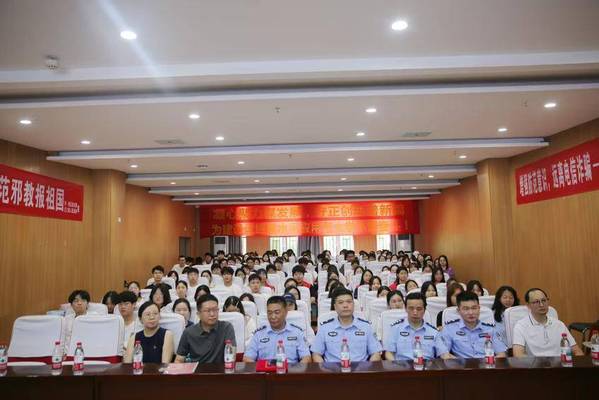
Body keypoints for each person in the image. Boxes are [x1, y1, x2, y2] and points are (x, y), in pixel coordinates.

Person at [311, 288, 382, 362]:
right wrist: (324, 368)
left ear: (353, 305)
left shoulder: (366, 327)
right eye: (341, 302)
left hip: (360, 368)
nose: (345, 305)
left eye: (349, 302)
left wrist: (368, 368)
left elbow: (376, 353)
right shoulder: (325, 328)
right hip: (332, 368)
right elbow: (316, 354)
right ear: (335, 307)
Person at [512, 288, 583, 357]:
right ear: (528, 305)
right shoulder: (521, 326)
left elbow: (577, 351)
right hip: (534, 364)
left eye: (544, 300)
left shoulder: (559, 324)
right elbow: (518, 355)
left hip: (559, 363)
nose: (541, 305)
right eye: (536, 302)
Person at [243, 296, 311, 363]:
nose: (273, 317)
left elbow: (306, 357)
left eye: (277, 312)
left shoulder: (297, 333)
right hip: (265, 369)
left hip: (290, 369)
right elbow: (247, 358)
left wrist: (296, 369)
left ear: (286, 312)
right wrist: (260, 367)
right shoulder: (258, 334)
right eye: (269, 313)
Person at [440, 291, 507, 358]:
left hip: (486, 363)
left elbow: (502, 354)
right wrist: (459, 362)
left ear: (479, 308)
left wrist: (489, 362)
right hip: (461, 363)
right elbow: (444, 354)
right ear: (458, 311)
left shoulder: (491, 330)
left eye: (474, 308)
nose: (471, 312)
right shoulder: (449, 329)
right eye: (466, 309)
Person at [384, 293, 448, 360]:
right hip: (402, 365)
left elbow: (444, 354)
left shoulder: (433, 332)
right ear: (405, 309)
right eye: (411, 308)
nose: (415, 312)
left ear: (424, 310)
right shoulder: (395, 329)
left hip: (427, 365)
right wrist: (395, 364)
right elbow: (389, 353)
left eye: (419, 309)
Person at [175, 294, 237, 363]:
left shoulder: (226, 327)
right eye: (207, 310)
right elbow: (179, 360)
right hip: (197, 368)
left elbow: (232, 356)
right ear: (198, 314)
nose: (212, 314)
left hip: (221, 368)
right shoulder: (188, 332)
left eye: (215, 310)